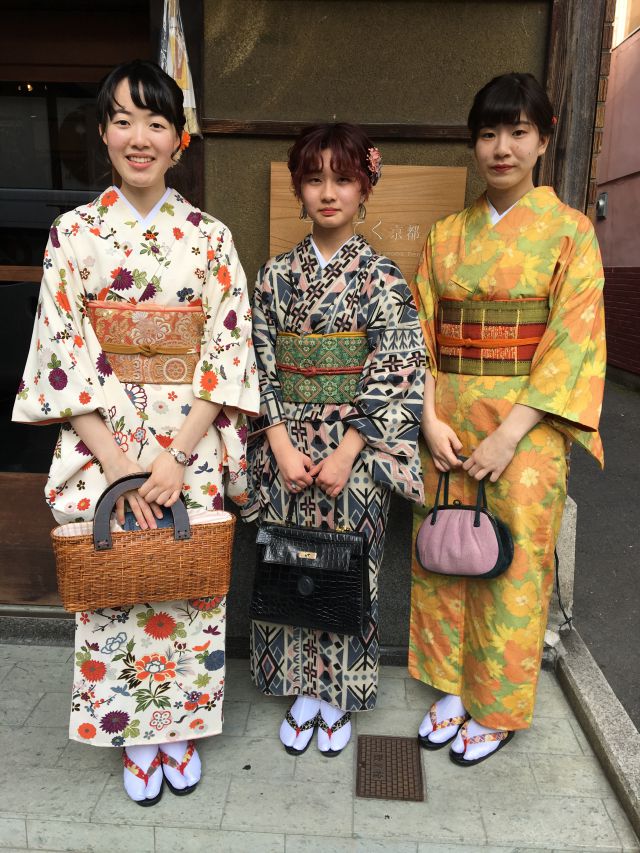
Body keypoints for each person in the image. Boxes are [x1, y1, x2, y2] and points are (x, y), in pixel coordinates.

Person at [13, 59, 258, 804]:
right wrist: (122, 465)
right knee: (115, 589)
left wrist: (176, 456)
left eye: (156, 122)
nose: (139, 137)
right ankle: (132, 732)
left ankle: (180, 729)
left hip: (189, 442)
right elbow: (62, 359)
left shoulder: (210, 238)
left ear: (180, 139)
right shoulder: (73, 234)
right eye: (123, 120)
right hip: (105, 449)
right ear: (104, 132)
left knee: (187, 587)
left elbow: (227, 351)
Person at [408, 72, 606, 765]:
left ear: (544, 140)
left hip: (526, 432)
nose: (502, 148)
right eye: (488, 133)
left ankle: (495, 705)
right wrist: (427, 418)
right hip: (448, 425)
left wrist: (509, 433)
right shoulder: (445, 236)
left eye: (518, 132)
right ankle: (451, 684)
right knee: (445, 554)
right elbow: (419, 335)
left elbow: (573, 344)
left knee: (511, 564)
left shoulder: (570, 234)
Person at [244, 123, 425, 756]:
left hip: (356, 452)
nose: (328, 192)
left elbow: (398, 368)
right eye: (314, 179)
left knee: (348, 572)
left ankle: (338, 694)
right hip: (287, 447)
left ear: (364, 189)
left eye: (343, 179)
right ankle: (299, 690)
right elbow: (256, 362)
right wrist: (279, 444)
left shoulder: (384, 278)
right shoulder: (274, 276)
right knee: (288, 566)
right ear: (298, 188)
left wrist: (349, 450)